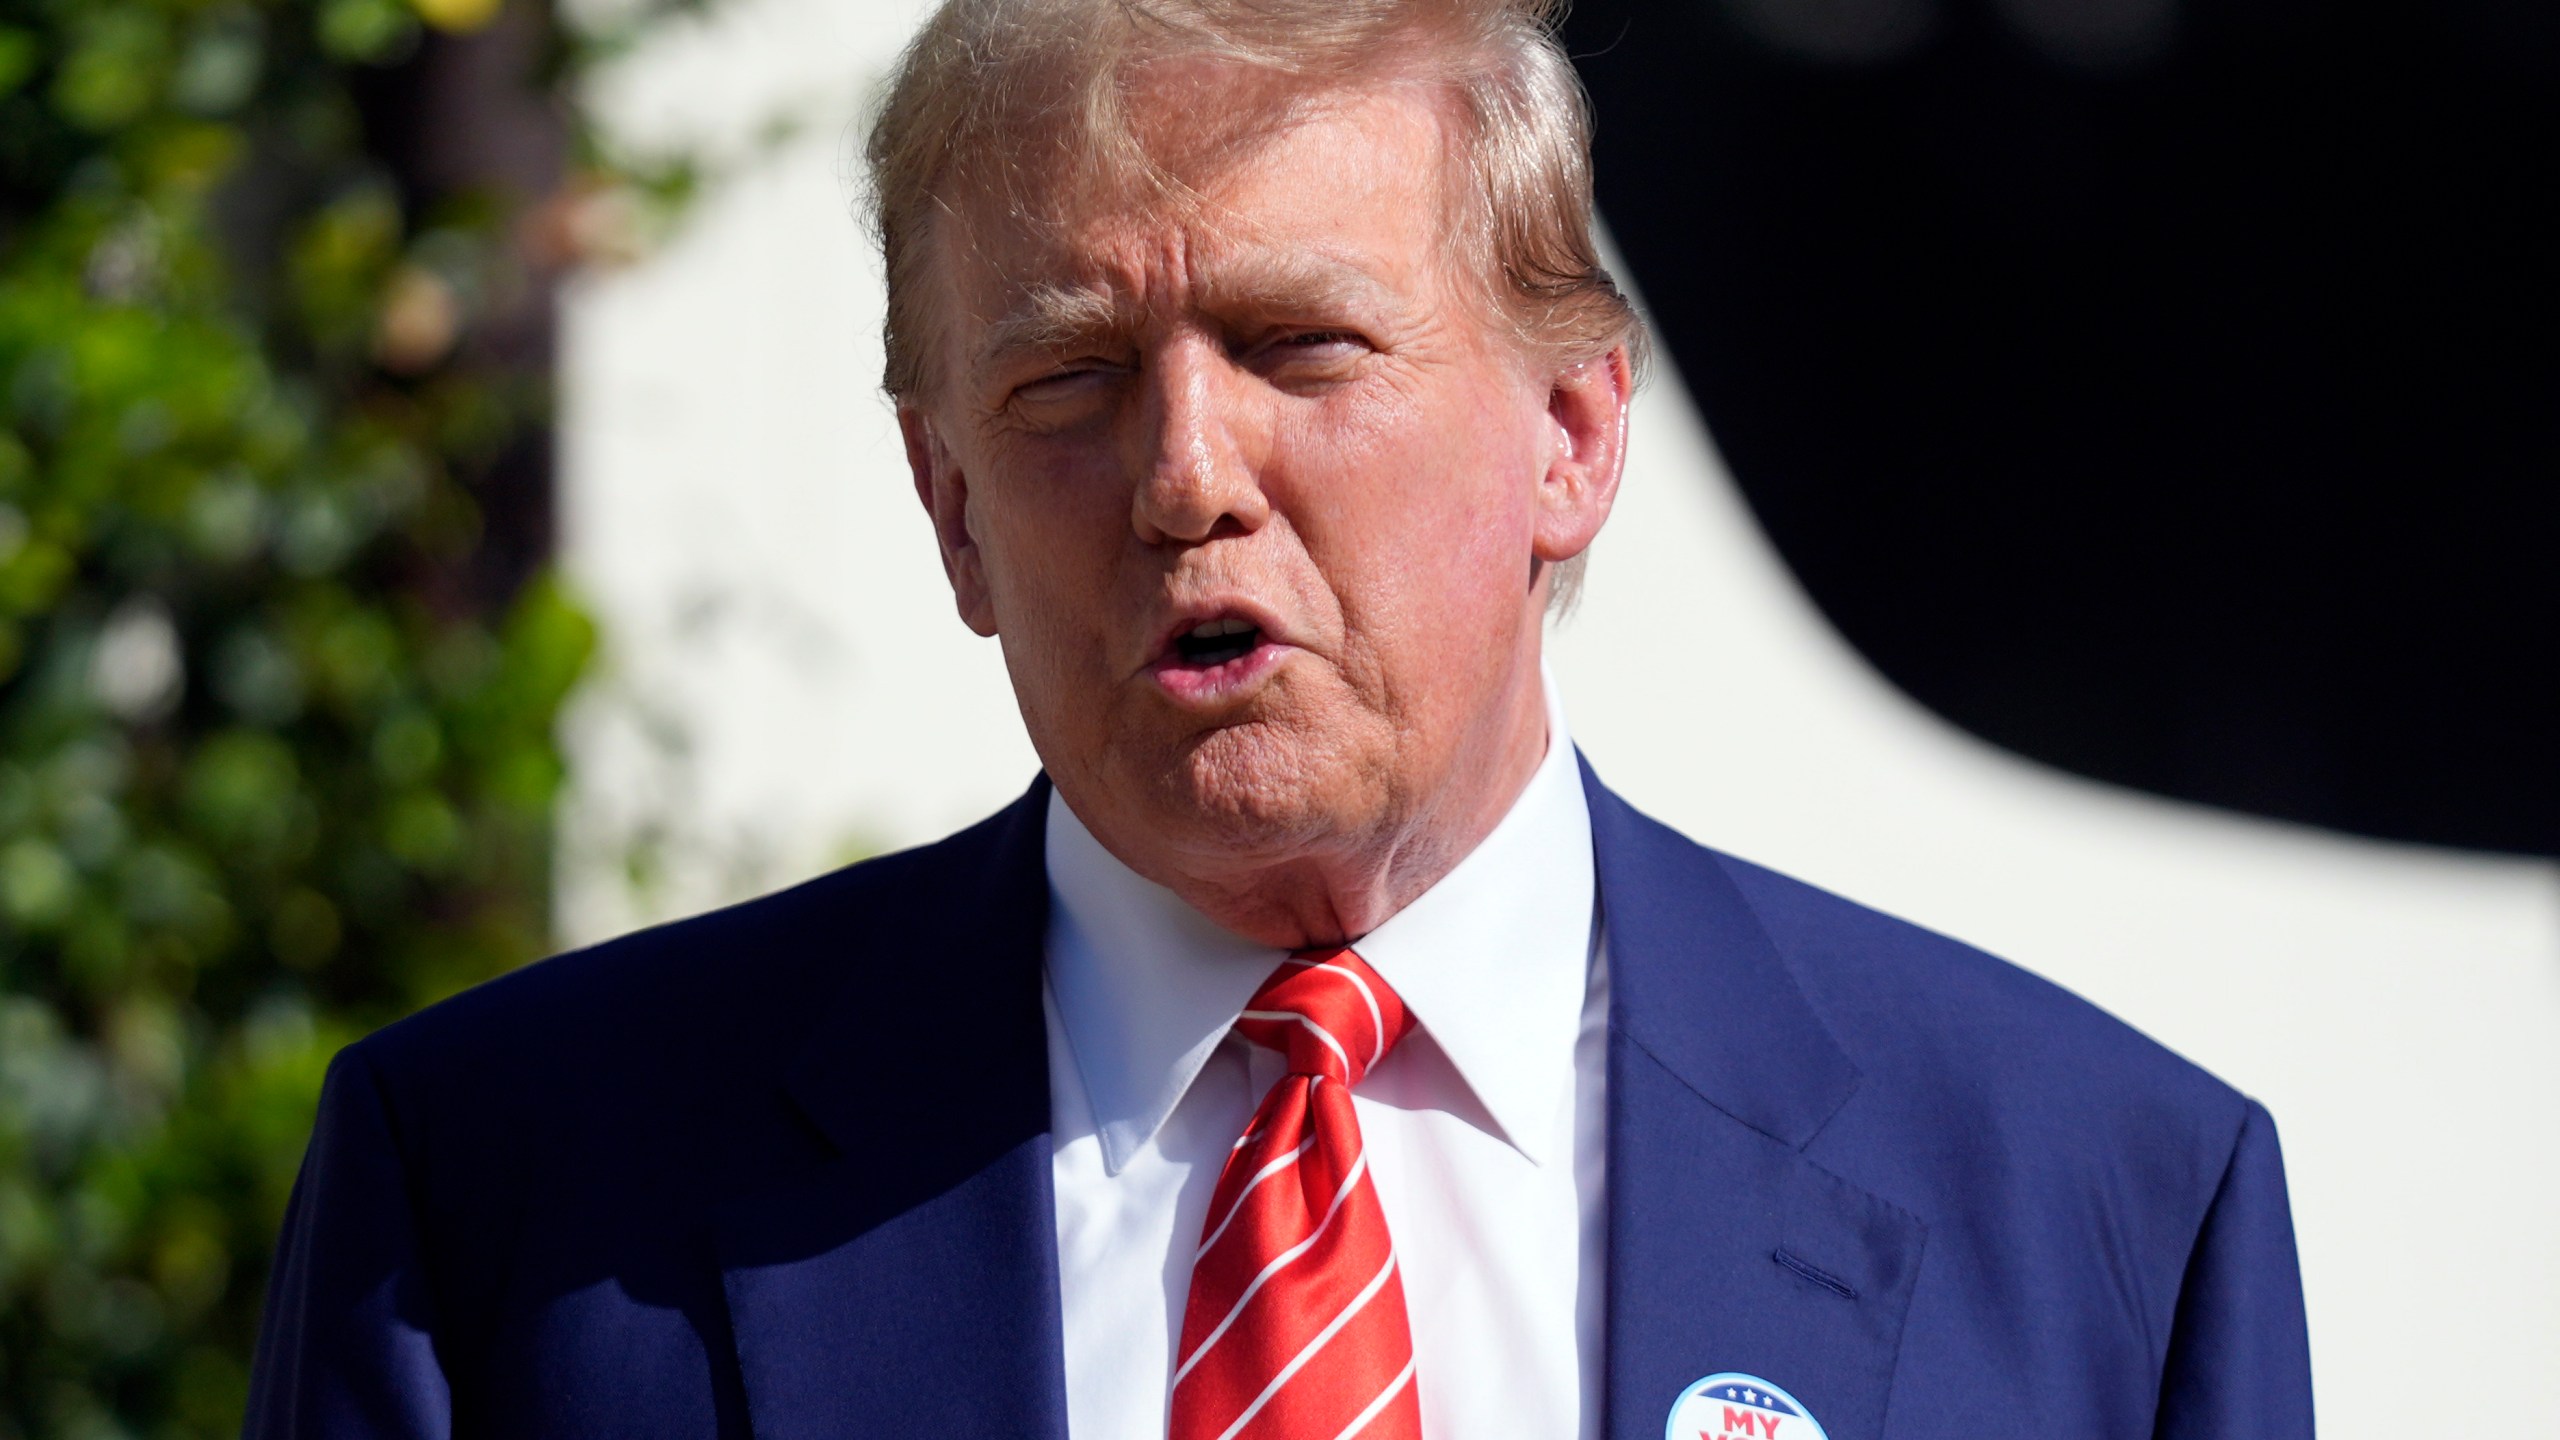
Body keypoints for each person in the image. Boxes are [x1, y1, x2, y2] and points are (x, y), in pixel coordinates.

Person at [243, 1, 2315, 1436]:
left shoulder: (2091, 1209)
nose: (1182, 473)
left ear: (1571, 436)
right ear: (948, 510)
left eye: (1297, 343)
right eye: (1063, 380)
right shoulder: (506, 1204)